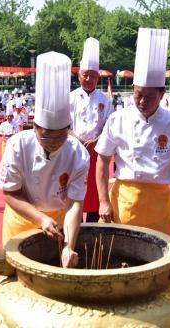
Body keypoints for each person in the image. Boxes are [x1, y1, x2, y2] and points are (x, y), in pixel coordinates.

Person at [95, 28, 170, 237]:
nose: (142, 102)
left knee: (159, 262)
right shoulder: (118, 118)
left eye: (149, 97)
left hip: (159, 205)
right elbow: (103, 160)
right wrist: (103, 201)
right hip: (124, 202)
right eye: (138, 94)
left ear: (162, 93)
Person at [0, 51, 89, 268]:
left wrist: (69, 245)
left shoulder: (77, 153)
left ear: (68, 130)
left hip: (59, 222)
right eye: (46, 135)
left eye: (60, 136)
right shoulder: (18, 145)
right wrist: (40, 219)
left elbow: (75, 203)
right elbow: (10, 193)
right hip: (22, 220)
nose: (53, 142)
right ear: (34, 127)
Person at [69, 37, 113, 223]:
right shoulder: (69, 98)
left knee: (94, 194)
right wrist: (75, 137)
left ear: (98, 77)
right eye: (85, 75)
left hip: (96, 154)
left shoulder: (105, 100)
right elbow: (63, 125)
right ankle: (73, 229)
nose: (89, 79)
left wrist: (97, 140)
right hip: (72, 151)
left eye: (93, 76)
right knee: (73, 193)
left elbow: (110, 128)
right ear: (79, 75)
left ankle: (93, 228)